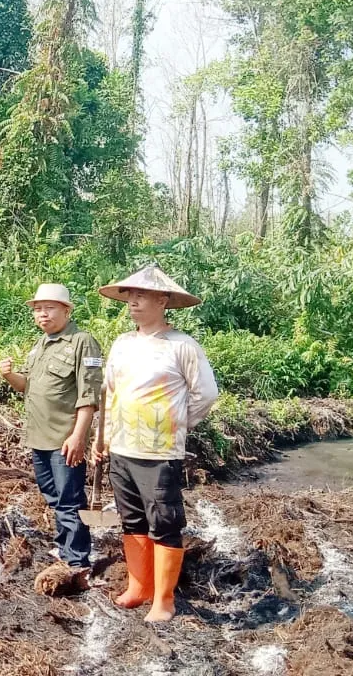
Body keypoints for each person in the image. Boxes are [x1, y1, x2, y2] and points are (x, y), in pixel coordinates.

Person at [94, 264, 219, 622]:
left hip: (159, 451)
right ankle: (139, 587)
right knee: (131, 520)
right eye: (130, 295)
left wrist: (176, 422)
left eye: (142, 295)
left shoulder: (182, 346)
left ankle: (164, 600)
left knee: (164, 521)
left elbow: (205, 395)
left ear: (163, 300)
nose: (133, 301)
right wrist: (101, 437)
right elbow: (110, 394)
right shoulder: (123, 343)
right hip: (122, 447)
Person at [0, 284, 103, 574]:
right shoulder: (41, 345)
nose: (42, 314)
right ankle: (65, 548)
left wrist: (79, 436)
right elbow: (28, 387)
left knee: (69, 500)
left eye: (50, 308)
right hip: (39, 438)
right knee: (53, 496)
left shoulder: (83, 342)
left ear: (67, 310)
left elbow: (89, 395)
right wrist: (8, 375)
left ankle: (78, 561)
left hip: (64, 439)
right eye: (38, 309)